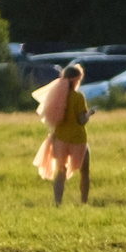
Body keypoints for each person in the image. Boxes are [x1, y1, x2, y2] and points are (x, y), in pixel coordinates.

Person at [32, 62, 90, 206]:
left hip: (60, 140)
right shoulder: (78, 97)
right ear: (76, 80)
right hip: (77, 139)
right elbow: (81, 120)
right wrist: (90, 113)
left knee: (61, 173)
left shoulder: (57, 98)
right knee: (85, 172)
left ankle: (58, 203)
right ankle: (84, 202)